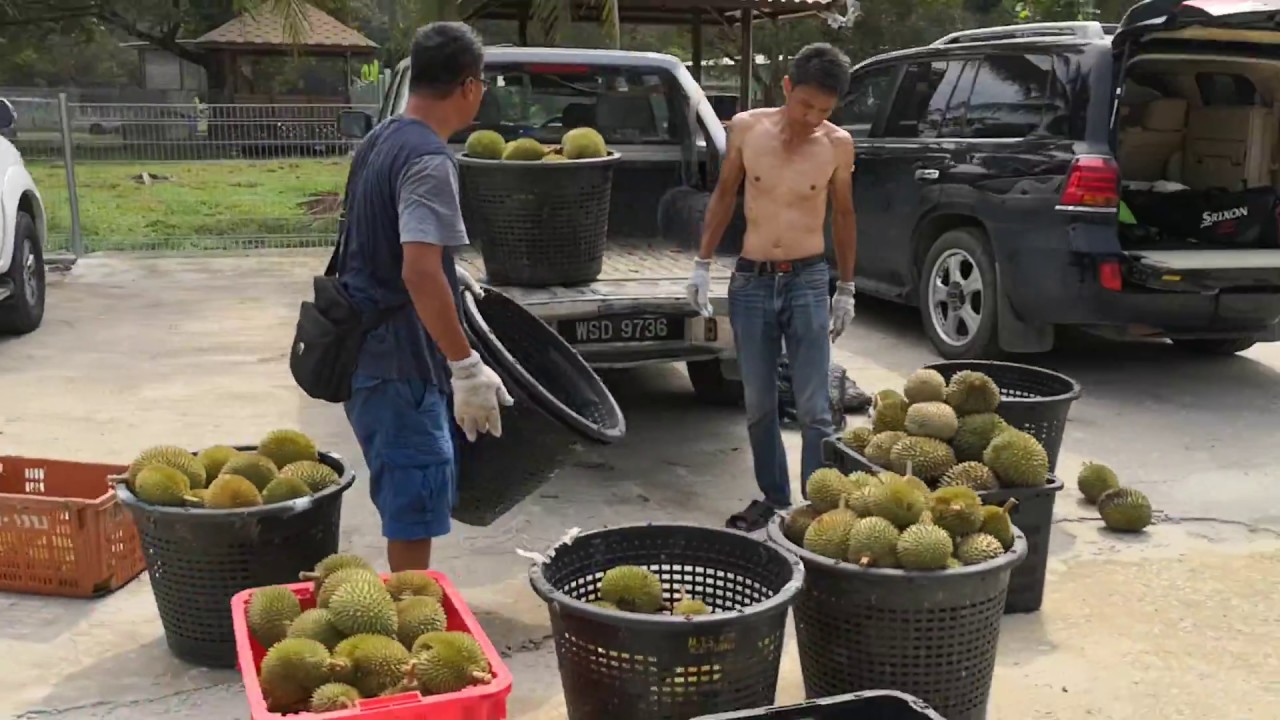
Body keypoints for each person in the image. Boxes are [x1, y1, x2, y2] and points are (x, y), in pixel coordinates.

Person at [338, 22, 513, 571]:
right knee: (414, 502)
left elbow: (376, 243)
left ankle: (405, 610)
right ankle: (408, 624)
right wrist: (465, 366)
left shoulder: (381, 138)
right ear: (469, 87)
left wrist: (447, 268)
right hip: (399, 363)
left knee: (408, 493)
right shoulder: (430, 160)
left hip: (365, 350)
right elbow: (417, 272)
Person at [686, 43, 858, 533]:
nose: (812, 118)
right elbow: (724, 195)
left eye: (824, 110)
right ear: (786, 86)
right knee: (759, 403)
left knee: (814, 407)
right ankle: (774, 497)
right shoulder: (745, 128)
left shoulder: (837, 144)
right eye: (805, 105)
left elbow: (844, 215)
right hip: (751, 282)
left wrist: (845, 286)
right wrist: (701, 264)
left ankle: (819, 508)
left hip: (807, 280)